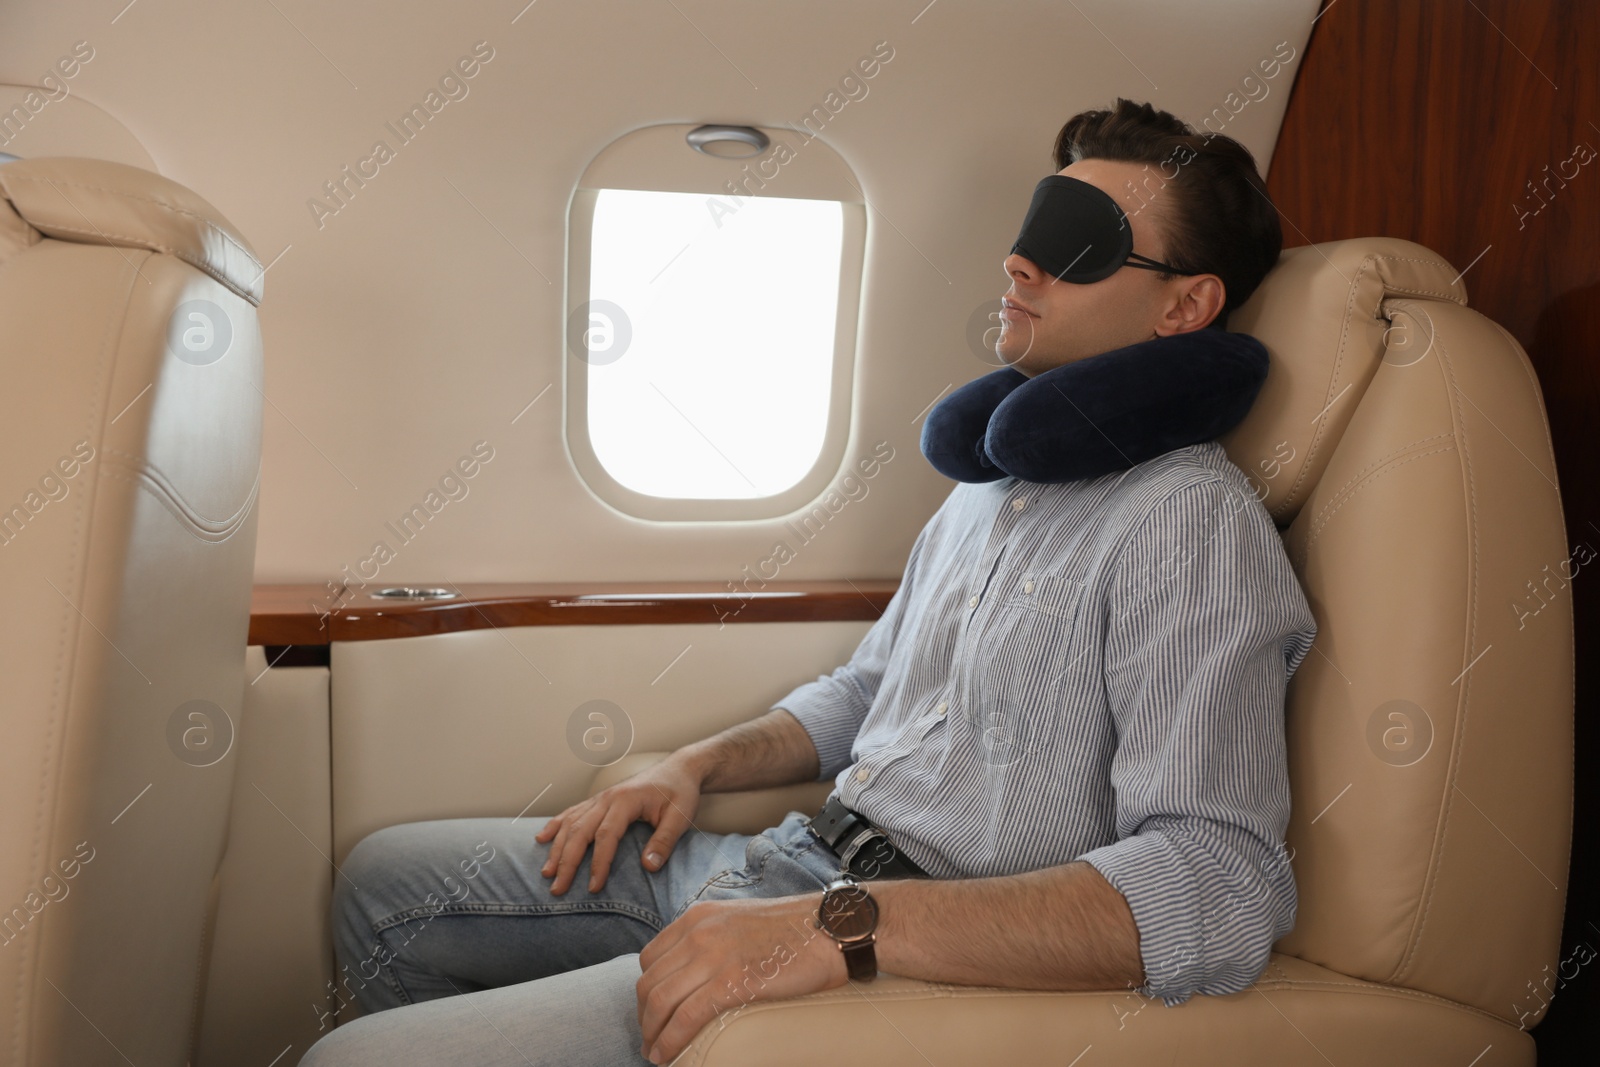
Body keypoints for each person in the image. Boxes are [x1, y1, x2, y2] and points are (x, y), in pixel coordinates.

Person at [300, 98, 1318, 1067]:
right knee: (380, 889)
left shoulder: (1187, 523)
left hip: (893, 941)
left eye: (1079, 243)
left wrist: (838, 927)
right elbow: (864, 694)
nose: (1020, 260)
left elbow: (1219, 884)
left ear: (1185, 304)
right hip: (793, 860)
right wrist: (693, 764)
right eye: (1031, 230)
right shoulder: (995, 486)